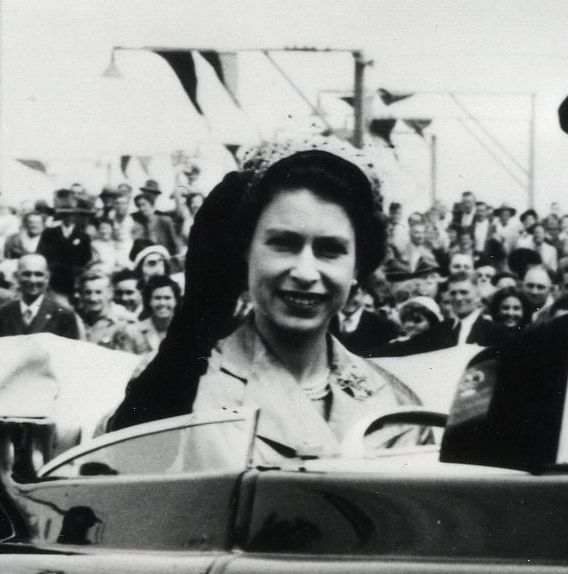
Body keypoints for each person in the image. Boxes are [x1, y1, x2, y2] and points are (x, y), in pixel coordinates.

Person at [105, 136, 424, 456]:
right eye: (283, 244)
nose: (305, 272)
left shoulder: (396, 401)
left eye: (330, 250)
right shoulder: (181, 384)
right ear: (246, 250)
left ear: (358, 264)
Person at [0, 254, 83, 338]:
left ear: (47, 277)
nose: (32, 280)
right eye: (26, 274)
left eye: (38, 274)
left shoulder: (63, 315)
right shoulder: (2, 314)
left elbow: (70, 355)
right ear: (17, 277)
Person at [76, 269, 154, 355]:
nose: (93, 298)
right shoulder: (77, 322)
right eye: (88, 292)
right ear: (82, 295)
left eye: (98, 292)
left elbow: (143, 357)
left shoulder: (125, 323)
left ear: (110, 294)